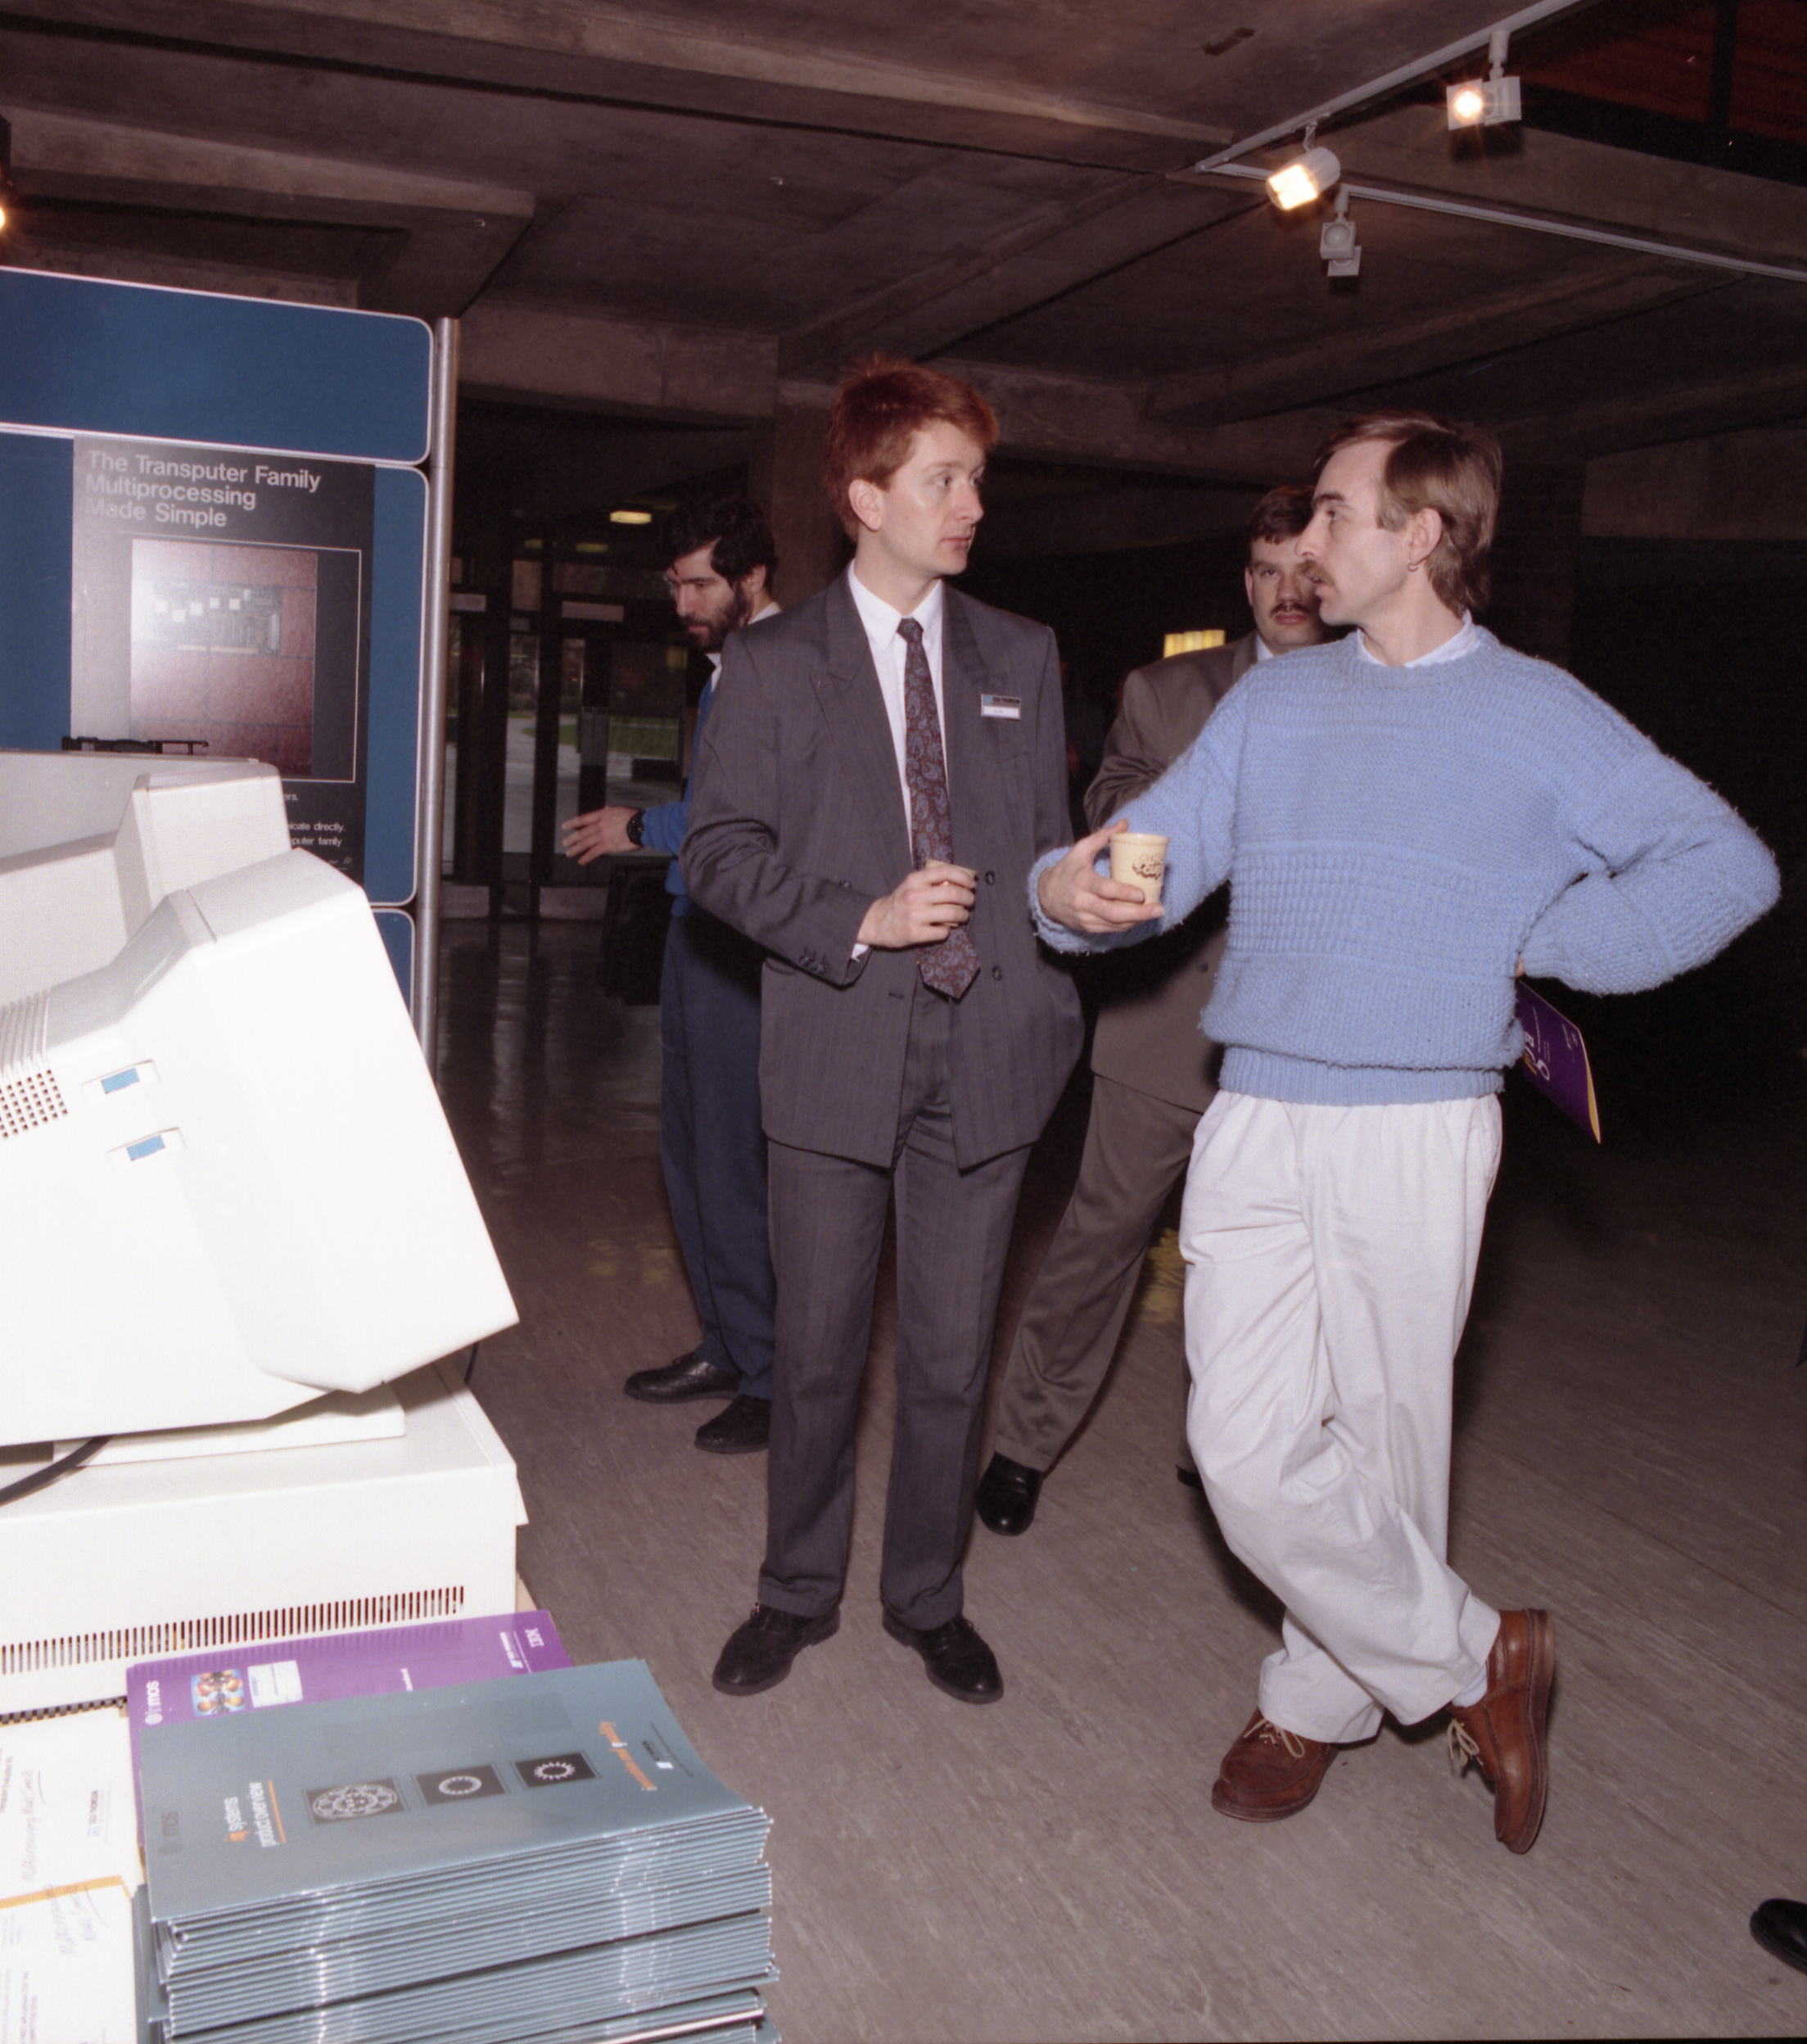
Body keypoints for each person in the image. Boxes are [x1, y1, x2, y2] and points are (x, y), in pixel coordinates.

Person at [1034, 411, 1778, 1853]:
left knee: (1385, 1440)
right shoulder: (1273, 703)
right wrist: (1066, 893)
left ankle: (1312, 1699)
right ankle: (1474, 1652)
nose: (1305, 541)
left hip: (1420, 1122)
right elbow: (1149, 855)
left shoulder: (1533, 712)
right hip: (1254, 1108)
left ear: (1422, 533)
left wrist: (1530, 939)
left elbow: (1721, 865)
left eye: (1333, 512)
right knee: (1239, 1446)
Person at [682, 357, 1082, 1705]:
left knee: (952, 1359)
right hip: (837, 1040)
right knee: (815, 1356)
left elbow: (1036, 855)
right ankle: (795, 1592)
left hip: (988, 1051)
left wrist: (1077, 899)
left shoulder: (1019, 654)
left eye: (976, 479)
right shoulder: (771, 663)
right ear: (866, 496)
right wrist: (860, 915)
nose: (972, 505)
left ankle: (927, 1597)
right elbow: (719, 857)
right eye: (943, 480)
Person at [976, 484, 1326, 1536]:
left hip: (1305, 1044)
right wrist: (1207, 799)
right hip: (1167, 1025)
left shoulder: (1380, 698)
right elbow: (1110, 807)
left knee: (1264, 1268)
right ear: (1244, 583)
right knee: (1100, 1241)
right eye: (1265, 572)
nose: (1285, 592)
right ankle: (1022, 1445)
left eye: (1304, 572)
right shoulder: (1168, 690)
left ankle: (1219, 1457)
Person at [562, 495, 781, 1455]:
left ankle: (771, 1375)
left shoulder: (786, 668)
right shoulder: (728, 668)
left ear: (750, 577)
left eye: (698, 584)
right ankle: (726, 1346)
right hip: (699, 930)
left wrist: (639, 826)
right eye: (674, 585)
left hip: (747, 948)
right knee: (689, 1156)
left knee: (734, 1164)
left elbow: (749, 811)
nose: (682, 603)